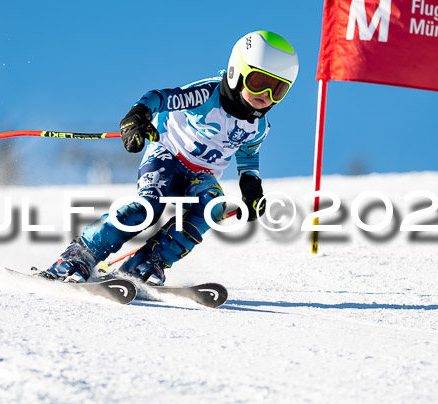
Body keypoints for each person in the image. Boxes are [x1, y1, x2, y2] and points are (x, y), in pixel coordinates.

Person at [40, 31, 299, 286]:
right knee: (147, 207)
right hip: (167, 155)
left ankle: (147, 262)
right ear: (235, 72)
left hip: (202, 175)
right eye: (258, 82)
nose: (266, 94)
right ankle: (80, 255)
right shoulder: (206, 95)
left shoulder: (259, 126)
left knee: (212, 208)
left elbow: (249, 153)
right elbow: (159, 98)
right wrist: (137, 116)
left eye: (278, 89)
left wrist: (251, 185)